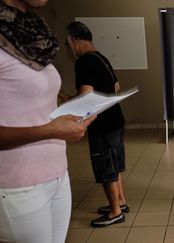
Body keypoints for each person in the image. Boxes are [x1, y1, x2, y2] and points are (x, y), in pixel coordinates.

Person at [0, 0, 95, 242]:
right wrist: (49, 130)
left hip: (57, 175)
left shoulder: (33, 36)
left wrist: (70, 116)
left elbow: (32, 107)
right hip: (17, 185)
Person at [65, 21, 129, 227]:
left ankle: (115, 211)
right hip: (116, 119)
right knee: (115, 164)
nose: (69, 49)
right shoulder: (101, 58)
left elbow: (86, 95)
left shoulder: (83, 62)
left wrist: (67, 103)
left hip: (101, 124)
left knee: (106, 166)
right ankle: (121, 201)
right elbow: (116, 86)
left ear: (73, 40)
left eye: (67, 44)